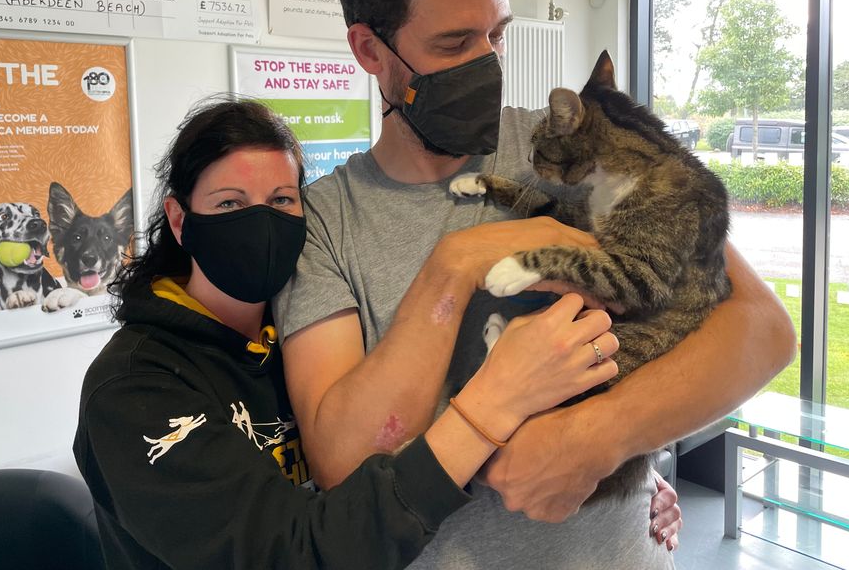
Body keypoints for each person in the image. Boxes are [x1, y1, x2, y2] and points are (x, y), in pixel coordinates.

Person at [274, 0, 797, 569]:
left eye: (496, 34)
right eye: (454, 43)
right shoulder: (325, 221)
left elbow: (761, 328)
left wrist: (599, 436)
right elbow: (345, 461)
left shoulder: (568, 144)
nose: (487, 64)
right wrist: (455, 263)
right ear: (370, 50)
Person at [73, 99, 623, 570]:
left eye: (282, 200)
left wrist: (620, 465)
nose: (260, 222)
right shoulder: (134, 389)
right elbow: (298, 553)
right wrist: (493, 402)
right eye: (230, 203)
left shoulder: (296, 340)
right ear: (179, 219)